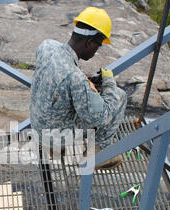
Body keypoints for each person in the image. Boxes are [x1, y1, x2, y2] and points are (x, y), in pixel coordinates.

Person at [29, 7, 127, 169]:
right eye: (98, 45)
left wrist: (85, 83)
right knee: (119, 96)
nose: (97, 50)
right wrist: (109, 81)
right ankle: (97, 153)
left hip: (38, 126)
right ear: (89, 42)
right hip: (55, 138)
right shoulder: (75, 78)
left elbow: (57, 75)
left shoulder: (47, 46)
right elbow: (101, 117)